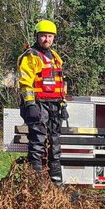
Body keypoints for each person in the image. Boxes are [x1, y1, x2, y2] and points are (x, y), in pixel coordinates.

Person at [17, 19, 68, 185]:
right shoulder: (31, 55)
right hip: (38, 104)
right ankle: (35, 182)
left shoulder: (55, 57)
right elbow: (25, 82)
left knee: (55, 143)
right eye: (43, 36)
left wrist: (63, 103)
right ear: (37, 36)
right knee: (38, 142)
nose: (47, 39)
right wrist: (30, 103)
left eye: (50, 36)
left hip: (55, 104)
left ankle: (56, 184)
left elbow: (61, 83)